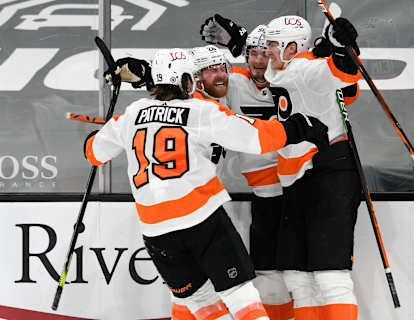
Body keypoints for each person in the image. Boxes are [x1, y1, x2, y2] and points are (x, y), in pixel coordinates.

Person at [88, 48, 329, 320]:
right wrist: (297, 127)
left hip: (155, 231)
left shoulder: (132, 113)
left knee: (203, 306)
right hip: (200, 219)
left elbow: (94, 152)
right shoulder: (200, 111)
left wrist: (98, 134)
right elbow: (257, 138)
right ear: (186, 81)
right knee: (241, 297)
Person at [200, 14, 362, 319]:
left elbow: (342, 78)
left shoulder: (301, 71)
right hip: (284, 185)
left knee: (328, 277)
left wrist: (338, 48)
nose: (263, 58)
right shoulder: (254, 77)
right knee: (292, 277)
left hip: (318, 174)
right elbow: (208, 88)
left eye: (270, 47)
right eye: (257, 52)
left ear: (289, 48)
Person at [201, 22, 295, 320]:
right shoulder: (236, 81)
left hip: (302, 189)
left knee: (303, 275)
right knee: (267, 273)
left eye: (264, 53)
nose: (257, 60)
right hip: (265, 195)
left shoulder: (293, 78)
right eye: (252, 54)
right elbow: (200, 83)